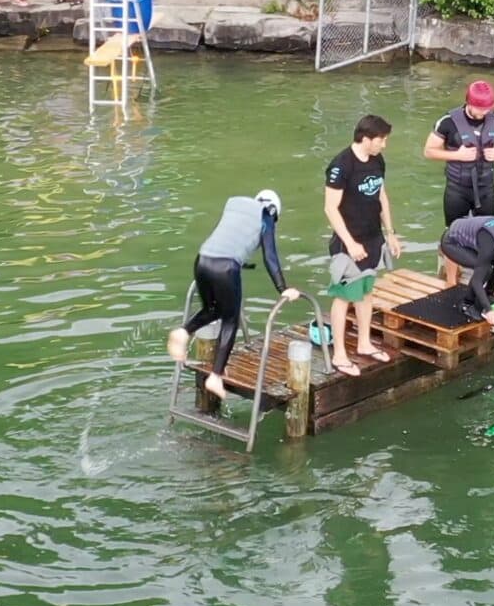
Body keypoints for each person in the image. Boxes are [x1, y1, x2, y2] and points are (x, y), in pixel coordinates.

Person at [167, 190, 299, 404]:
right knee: (231, 320)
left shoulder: (236, 207)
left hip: (203, 260)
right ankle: (216, 376)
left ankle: (183, 332)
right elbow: (270, 257)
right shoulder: (266, 215)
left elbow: (229, 239)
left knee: (213, 310)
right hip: (226, 267)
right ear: (274, 211)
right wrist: (283, 288)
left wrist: (242, 262)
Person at [321, 116, 401, 377]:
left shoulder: (377, 161)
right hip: (349, 242)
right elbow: (330, 208)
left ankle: (364, 342)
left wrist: (390, 233)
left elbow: (381, 195)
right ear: (366, 139)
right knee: (344, 296)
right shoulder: (341, 165)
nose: (384, 145)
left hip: (373, 237)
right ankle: (340, 354)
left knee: (366, 290)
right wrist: (350, 242)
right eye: (381, 140)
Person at [427, 81, 494, 230]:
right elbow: (429, 151)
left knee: (490, 231)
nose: (484, 113)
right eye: (480, 109)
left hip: (486, 188)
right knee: (454, 232)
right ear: (469, 102)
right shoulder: (447, 122)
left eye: (487, 108)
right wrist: (458, 155)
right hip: (457, 189)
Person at [439, 215, 494, 320]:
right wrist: (489, 311)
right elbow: (477, 280)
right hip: (452, 242)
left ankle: (487, 295)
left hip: (478, 240)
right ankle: (467, 304)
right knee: (486, 270)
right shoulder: (490, 243)